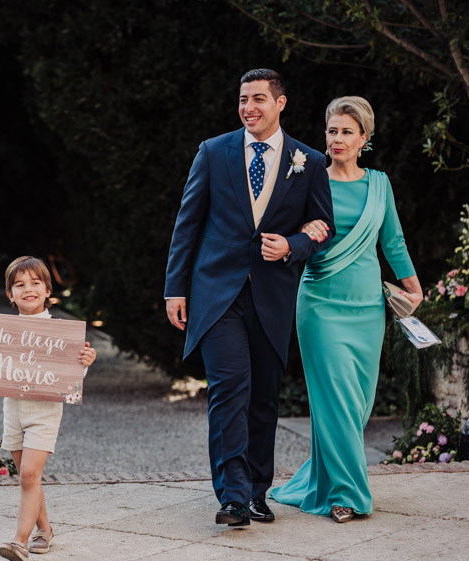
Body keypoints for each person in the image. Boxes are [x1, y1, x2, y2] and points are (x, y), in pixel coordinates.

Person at [164, 68, 334, 527]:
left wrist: (292, 246)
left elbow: (322, 228)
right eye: (243, 99)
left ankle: (259, 491)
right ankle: (234, 497)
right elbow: (188, 223)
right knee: (228, 391)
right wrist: (175, 288)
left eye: (258, 98)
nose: (248, 108)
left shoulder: (309, 161)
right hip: (217, 294)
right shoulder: (213, 152)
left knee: (263, 398)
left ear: (281, 103)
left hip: (273, 296)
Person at [269, 96, 422, 523]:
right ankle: (347, 495)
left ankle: (323, 478)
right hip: (319, 305)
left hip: (368, 309)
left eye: (346, 132)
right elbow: (282, 233)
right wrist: (300, 230)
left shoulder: (379, 184)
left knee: (355, 404)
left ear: (364, 139)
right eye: (332, 131)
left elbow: (393, 241)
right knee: (334, 398)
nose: (337, 139)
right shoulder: (307, 179)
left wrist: (413, 289)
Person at [0, 256, 96, 561]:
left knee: (29, 474)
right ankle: (45, 530)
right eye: (20, 285)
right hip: (14, 411)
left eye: (35, 283)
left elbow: (69, 376)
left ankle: (19, 541)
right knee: (28, 478)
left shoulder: (60, 332)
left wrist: (83, 364)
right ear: (10, 294)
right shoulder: (0, 332)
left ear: (47, 289)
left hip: (44, 413)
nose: (28, 289)